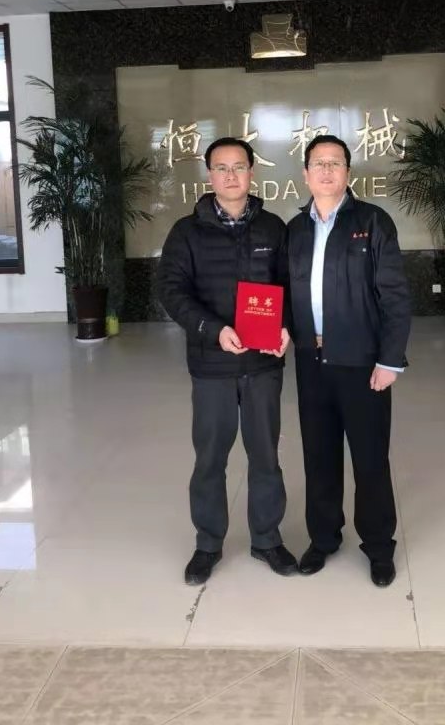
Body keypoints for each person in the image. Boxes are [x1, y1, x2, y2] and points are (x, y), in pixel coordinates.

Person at [157, 137, 296, 585]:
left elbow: (290, 286)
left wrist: (286, 327)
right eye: (222, 168)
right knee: (210, 457)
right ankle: (208, 544)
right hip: (212, 365)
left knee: (265, 455)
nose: (231, 175)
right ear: (210, 175)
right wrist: (213, 329)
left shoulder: (274, 228)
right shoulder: (186, 232)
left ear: (252, 172)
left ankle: (267, 539)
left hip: (263, 365)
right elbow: (171, 291)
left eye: (239, 167)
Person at [287, 135, 411, 587]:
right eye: (318, 163)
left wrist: (390, 361)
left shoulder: (372, 222)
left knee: (370, 458)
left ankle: (378, 546)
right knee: (318, 455)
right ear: (305, 174)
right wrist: (280, 329)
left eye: (335, 162)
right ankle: (323, 538)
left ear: (347, 172)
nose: (326, 170)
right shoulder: (295, 230)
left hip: (362, 362)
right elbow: (283, 291)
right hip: (311, 358)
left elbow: (394, 295)